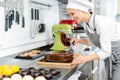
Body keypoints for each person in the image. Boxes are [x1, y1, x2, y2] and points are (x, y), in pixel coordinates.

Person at [66, 0, 120, 80]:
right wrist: (79, 40)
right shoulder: (86, 24)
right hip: (110, 58)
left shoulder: (102, 23)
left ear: (82, 10)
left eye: (72, 14)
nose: (71, 18)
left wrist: (84, 58)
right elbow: (93, 42)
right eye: (70, 15)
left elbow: (106, 52)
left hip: (118, 58)